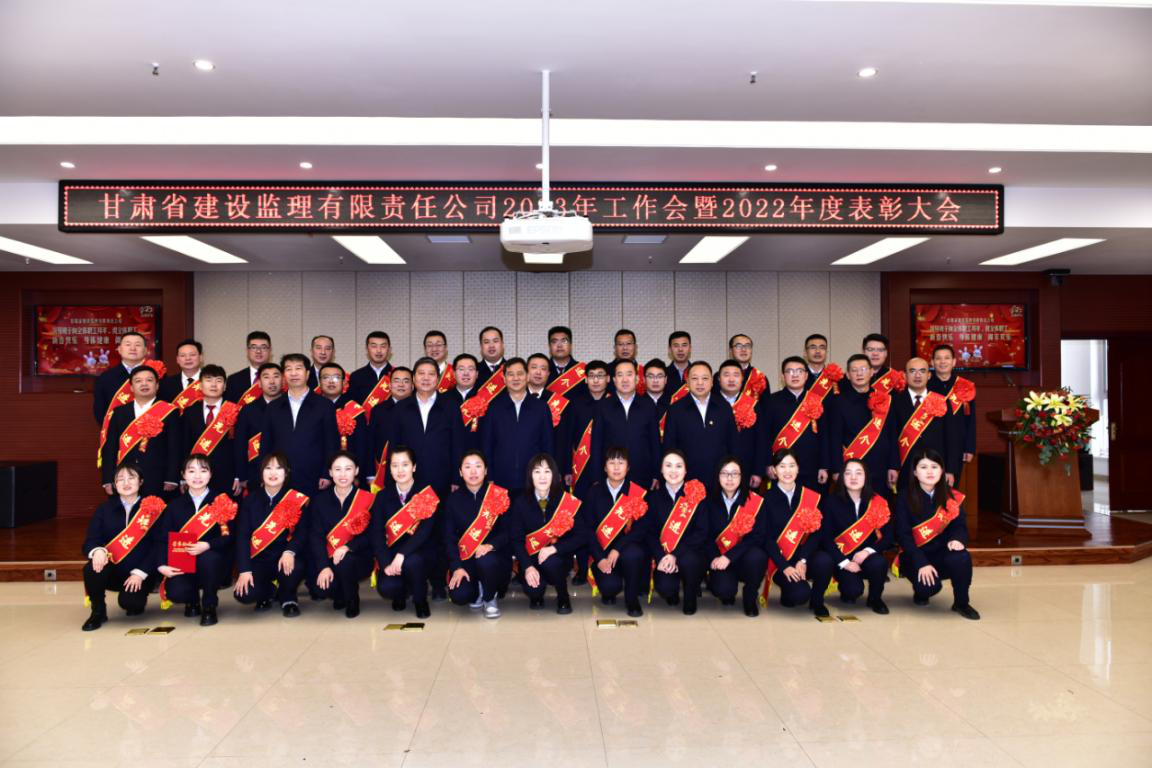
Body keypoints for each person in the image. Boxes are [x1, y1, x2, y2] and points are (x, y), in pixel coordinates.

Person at [894, 449, 980, 620]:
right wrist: (921, 563)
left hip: (941, 553)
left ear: (941, 471)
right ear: (915, 472)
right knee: (928, 588)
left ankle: (961, 603)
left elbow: (959, 526)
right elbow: (903, 535)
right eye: (923, 467)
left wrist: (957, 539)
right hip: (914, 556)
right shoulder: (904, 497)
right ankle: (921, 592)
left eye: (934, 467)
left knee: (962, 557)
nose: (930, 471)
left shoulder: (951, 496)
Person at [81, 462, 165, 631]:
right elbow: (90, 540)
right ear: (115, 484)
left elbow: (159, 545)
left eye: (131, 478)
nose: (126, 483)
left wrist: (140, 573)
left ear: (141, 481)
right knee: (91, 568)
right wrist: (97, 550)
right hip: (114, 570)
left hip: (142, 573)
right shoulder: (104, 509)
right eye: (120, 479)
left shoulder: (153, 508)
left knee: (131, 604)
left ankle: (135, 597)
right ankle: (98, 611)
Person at [157, 455, 236, 627]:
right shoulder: (174, 506)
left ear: (211, 474)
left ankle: (209, 604)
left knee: (209, 559)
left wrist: (208, 545)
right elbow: (163, 539)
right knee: (176, 592)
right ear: (183, 475)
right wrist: (162, 565)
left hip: (214, 561)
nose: (197, 476)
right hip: (183, 563)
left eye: (203, 470)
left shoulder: (222, 501)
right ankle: (192, 600)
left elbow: (231, 536)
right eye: (191, 471)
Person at [232, 453, 309, 617]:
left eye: (278, 468)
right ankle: (268, 592)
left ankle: (289, 597)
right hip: (259, 558)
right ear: (261, 473)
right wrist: (244, 570)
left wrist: (290, 551)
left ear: (286, 473)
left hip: (285, 557)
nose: (273, 473)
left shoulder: (296, 498)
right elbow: (242, 536)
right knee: (243, 594)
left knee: (295, 567)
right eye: (268, 468)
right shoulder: (250, 500)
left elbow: (302, 533)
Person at [811, 459, 891, 614]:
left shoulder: (877, 501)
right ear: (842, 477)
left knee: (879, 563)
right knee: (852, 590)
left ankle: (875, 599)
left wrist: (867, 551)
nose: (853, 477)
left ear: (866, 477)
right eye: (848, 473)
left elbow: (888, 536)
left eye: (858, 473)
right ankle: (820, 599)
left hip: (865, 557)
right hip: (840, 558)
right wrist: (845, 562)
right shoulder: (830, 502)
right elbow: (825, 538)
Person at [761, 450, 833, 617]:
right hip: (779, 560)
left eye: (792, 466)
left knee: (825, 561)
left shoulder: (810, 496)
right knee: (799, 595)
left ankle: (817, 601)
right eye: (782, 466)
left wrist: (803, 559)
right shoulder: (766, 499)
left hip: (804, 556)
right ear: (774, 470)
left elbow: (817, 533)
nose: (787, 471)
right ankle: (789, 592)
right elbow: (767, 538)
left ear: (798, 468)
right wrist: (785, 566)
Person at [510, 454, 583, 614]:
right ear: (530, 475)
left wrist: (555, 548)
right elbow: (516, 540)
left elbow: (581, 536)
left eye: (547, 471)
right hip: (531, 559)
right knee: (533, 590)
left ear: (554, 475)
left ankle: (563, 596)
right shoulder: (520, 503)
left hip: (558, 558)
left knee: (552, 562)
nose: (542, 477)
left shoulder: (566, 501)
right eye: (537, 472)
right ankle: (537, 595)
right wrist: (527, 566)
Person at [370, 446, 437, 619]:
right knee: (386, 587)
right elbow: (376, 534)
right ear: (390, 469)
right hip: (392, 555)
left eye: (405, 464)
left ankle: (420, 599)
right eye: (395, 465)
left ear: (414, 467)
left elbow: (424, 532)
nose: (400, 470)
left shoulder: (425, 494)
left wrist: (402, 554)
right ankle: (401, 593)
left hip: (421, 552)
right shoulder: (382, 497)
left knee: (413, 562)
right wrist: (386, 563)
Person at [444, 451, 512, 619]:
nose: (473, 472)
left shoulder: (498, 495)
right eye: (467, 467)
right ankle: (478, 590)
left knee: (486, 560)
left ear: (486, 470)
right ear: (460, 472)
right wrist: (457, 567)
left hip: (494, 560)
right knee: (460, 596)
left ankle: (490, 598)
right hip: (466, 561)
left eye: (478, 466)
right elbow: (449, 538)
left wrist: (490, 545)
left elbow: (508, 531)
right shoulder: (453, 500)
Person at [308, 451, 375, 618]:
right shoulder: (319, 501)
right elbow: (316, 537)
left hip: (358, 557)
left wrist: (348, 547)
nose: (343, 474)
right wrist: (323, 566)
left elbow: (371, 535)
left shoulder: (368, 499)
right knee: (320, 589)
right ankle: (340, 593)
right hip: (329, 557)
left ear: (356, 471)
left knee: (346, 562)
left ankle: (352, 599)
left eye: (348, 469)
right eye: (337, 469)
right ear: (330, 473)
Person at [260, 354, 340, 494]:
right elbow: (266, 443)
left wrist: (326, 473)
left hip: (314, 476)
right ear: (284, 375)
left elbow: (331, 442)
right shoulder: (273, 407)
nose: (293, 373)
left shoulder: (324, 405)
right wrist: (263, 474)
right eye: (289, 369)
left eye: (298, 368)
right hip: (280, 476)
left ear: (308, 373)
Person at [585, 447, 650, 616]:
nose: (616, 467)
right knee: (609, 588)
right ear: (604, 467)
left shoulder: (637, 493)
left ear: (628, 468)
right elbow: (588, 530)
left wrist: (617, 548)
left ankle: (632, 599)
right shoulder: (594, 492)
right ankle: (611, 585)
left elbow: (641, 530)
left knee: (634, 553)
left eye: (621, 463)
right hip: (603, 553)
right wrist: (599, 558)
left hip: (627, 550)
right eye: (611, 462)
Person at [101, 365, 180, 498]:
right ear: (131, 387)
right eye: (138, 381)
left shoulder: (170, 411)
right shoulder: (119, 412)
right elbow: (110, 447)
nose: (144, 384)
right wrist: (108, 478)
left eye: (149, 380)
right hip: (126, 477)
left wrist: (172, 477)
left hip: (158, 477)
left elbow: (175, 447)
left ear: (157, 385)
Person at [646, 449, 708, 615]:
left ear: (686, 470)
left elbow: (702, 532)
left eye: (679, 466)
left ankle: (690, 596)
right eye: (668, 466)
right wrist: (661, 556)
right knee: (665, 587)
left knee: (689, 561)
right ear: (661, 470)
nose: (673, 471)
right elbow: (649, 533)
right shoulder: (653, 498)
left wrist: (675, 554)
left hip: (690, 552)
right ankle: (672, 593)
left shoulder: (696, 495)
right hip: (664, 554)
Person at [706, 457, 770, 617]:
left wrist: (730, 556)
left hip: (744, 558)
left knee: (758, 556)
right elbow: (705, 535)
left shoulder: (755, 502)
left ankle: (750, 595)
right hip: (720, 558)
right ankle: (728, 589)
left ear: (742, 477)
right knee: (723, 590)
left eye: (734, 474)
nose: (729, 478)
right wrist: (715, 557)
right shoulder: (709, 502)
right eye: (725, 473)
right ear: (718, 476)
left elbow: (757, 537)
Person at [480, 358, 553, 495]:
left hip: (533, 480)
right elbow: (487, 445)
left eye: (520, 374)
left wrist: (546, 476)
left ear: (527, 377)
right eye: (510, 374)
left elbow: (547, 444)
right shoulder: (494, 407)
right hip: (501, 479)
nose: (515, 378)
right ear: (504, 378)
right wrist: (489, 476)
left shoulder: (541, 408)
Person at [827, 354, 896, 498]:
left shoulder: (884, 399)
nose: (859, 373)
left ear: (871, 372)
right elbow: (834, 438)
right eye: (854, 370)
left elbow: (892, 434)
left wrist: (893, 466)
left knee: (879, 507)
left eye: (864, 369)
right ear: (848, 375)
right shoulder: (838, 402)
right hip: (851, 469)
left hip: (880, 467)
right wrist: (836, 470)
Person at [888, 358, 959, 490]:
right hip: (905, 466)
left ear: (929, 375)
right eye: (912, 371)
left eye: (922, 371)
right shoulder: (894, 402)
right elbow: (891, 436)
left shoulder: (941, 401)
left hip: (935, 466)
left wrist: (950, 469)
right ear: (905, 375)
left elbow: (951, 437)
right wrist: (893, 466)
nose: (917, 375)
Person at [662, 361, 737, 483]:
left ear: (712, 382)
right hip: (687, 479)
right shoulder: (676, 410)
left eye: (705, 378)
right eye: (695, 378)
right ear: (687, 381)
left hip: (720, 479)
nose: (700, 383)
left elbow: (733, 443)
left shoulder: (724, 407)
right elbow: (669, 446)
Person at [763, 357, 829, 490]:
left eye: (799, 371)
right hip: (781, 469)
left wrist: (824, 466)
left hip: (812, 468)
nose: (795, 375)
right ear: (783, 376)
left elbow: (825, 436)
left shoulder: (817, 401)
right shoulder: (771, 401)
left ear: (806, 376)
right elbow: (764, 436)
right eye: (790, 371)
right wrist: (768, 463)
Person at [596, 360, 661, 490]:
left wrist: (656, 473)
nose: (625, 379)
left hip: (643, 475)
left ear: (636, 379)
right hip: (612, 476)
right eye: (620, 375)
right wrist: (596, 477)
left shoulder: (648, 406)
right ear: (614, 380)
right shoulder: (603, 406)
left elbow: (655, 442)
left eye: (629, 374)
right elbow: (596, 444)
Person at [177, 364, 240, 497]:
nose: (213, 385)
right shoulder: (190, 412)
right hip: (196, 476)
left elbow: (240, 446)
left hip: (227, 475)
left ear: (225, 386)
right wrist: (183, 477)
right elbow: (184, 446)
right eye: (208, 380)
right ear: (200, 385)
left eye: (218, 380)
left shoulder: (235, 410)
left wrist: (238, 475)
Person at [927, 344, 977, 478]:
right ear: (932, 362)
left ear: (954, 361)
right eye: (938, 358)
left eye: (947, 358)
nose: (942, 362)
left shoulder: (965, 386)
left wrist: (969, 448)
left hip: (956, 445)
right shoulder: (925, 385)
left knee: (952, 486)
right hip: (931, 444)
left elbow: (970, 420)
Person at [715, 360, 766, 488]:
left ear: (742, 379)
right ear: (719, 379)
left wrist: (758, 471)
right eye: (726, 375)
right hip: (715, 470)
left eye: (736, 375)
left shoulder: (753, 404)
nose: (731, 379)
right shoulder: (711, 404)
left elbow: (761, 440)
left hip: (746, 470)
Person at [233, 362, 283, 490]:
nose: (272, 381)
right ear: (259, 383)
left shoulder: (290, 407)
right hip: (255, 473)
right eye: (266, 377)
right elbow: (240, 444)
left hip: (286, 471)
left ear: (283, 380)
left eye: (276, 376)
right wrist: (241, 475)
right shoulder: (248, 410)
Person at [93, 331, 148, 426]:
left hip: (151, 430)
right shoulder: (105, 378)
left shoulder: (157, 374)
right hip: (117, 430)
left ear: (145, 350)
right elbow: (100, 411)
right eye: (128, 344)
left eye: (138, 345)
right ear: (119, 349)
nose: (133, 348)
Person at [225, 331, 272, 402]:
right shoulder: (234, 380)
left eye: (263, 347)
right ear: (247, 351)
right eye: (254, 347)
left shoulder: (281, 379)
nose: (258, 351)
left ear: (270, 350)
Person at [348, 331, 393, 404]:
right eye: (374, 346)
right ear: (367, 349)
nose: (379, 350)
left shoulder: (396, 375)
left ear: (389, 350)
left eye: (383, 346)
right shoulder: (356, 376)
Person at [158, 338, 203, 404]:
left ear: (201, 357)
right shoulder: (165, 384)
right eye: (183, 355)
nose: (188, 358)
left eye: (192, 355)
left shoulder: (211, 381)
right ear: (177, 360)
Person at [608, 329, 644, 395]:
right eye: (620, 344)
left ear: (635, 347)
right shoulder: (606, 371)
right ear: (615, 348)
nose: (625, 348)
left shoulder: (643, 372)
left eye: (629, 344)